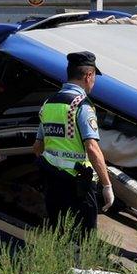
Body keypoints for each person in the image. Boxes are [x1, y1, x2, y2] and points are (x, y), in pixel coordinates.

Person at [33, 52, 113, 235]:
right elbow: (92, 148)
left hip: (53, 184)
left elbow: (37, 147)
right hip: (79, 186)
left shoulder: (48, 104)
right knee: (83, 239)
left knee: (58, 235)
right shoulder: (82, 106)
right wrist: (107, 185)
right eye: (94, 78)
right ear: (88, 75)